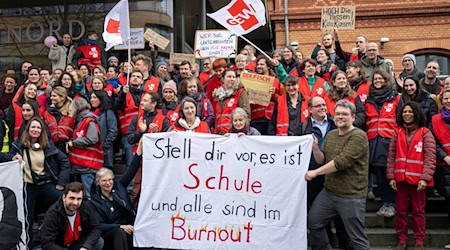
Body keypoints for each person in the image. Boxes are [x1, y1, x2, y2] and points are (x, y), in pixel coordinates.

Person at [305, 100, 371, 250]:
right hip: (329, 193)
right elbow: (323, 159)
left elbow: (341, 162)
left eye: (345, 114)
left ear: (353, 117)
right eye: (338, 114)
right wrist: (315, 148)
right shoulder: (331, 135)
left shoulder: (359, 136)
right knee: (313, 222)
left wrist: (315, 172)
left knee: (357, 238)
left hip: (351, 196)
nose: (340, 117)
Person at [10, 117, 70, 247]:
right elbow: (6, 159)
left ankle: (58, 239)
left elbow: (64, 161)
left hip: (45, 184)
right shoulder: (18, 145)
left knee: (64, 201)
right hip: (27, 186)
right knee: (27, 218)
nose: (35, 130)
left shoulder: (47, 145)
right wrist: (13, 157)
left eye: (38, 127)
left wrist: (61, 183)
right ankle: (28, 245)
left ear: (42, 130)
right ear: (28, 129)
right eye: (33, 127)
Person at [386, 101, 436, 250]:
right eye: (405, 112)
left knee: (418, 212)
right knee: (401, 211)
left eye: (410, 112)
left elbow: (430, 157)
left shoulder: (425, 132)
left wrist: (425, 178)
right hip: (400, 179)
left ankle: (419, 241)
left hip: (418, 181)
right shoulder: (397, 132)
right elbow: (391, 156)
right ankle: (401, 240)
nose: (407, 114)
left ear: (417, 113)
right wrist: (391, 176)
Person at [365, 70, 403, 218]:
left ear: (386, 80)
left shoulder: (396, 98)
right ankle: (384, 204)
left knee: (391, 175)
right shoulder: (369, 100)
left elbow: (401, 119)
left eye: (381, 78)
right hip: (374, 141)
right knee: (380, 176)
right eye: (375, 79)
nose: (378, 81)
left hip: (390, 141)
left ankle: (392, 204)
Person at [40, 182, 103, 250]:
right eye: (72, 198)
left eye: (79, 199)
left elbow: (96, 228)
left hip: (74, 244)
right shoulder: (53, 213)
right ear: (64, 197)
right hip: (57, 246)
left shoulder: (85, 208)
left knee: (99, 242)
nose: (75, 203)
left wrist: (86, 246)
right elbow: (48, 243)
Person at [89, 164, 140, 250]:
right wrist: (119, 226)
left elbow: (131, 171)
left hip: (128, 227)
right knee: (119, 232)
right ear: (98, 183)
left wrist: (138, 154)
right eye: (104, 181)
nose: (108, 183)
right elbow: (99, 225)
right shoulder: (93, 202)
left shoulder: (119, 188)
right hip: (110, 234)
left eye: (110, 180)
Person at [67, 98, 104, 200]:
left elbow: (92, 139)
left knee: (88, 196)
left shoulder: (89, 121)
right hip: (82, 165)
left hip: (88, 165)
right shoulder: (82, 120)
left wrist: (73, 143)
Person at [431, 89, 450, 238]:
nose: (448, 101)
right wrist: (444, 156)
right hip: (444, 166)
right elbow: (433, 143)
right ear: (441, 101)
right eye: (446, 98)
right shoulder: (435, 119)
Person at [251, 56, 284, 135]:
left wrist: (273, 95)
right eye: (258, 64)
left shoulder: (276, 81)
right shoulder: (252, 81)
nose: (259, 66)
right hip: (256, 118)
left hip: (272, 117)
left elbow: (282, 100)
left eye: (262, 64)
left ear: (268, 66)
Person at [213, 69, 250, 134]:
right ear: (222, 79)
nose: (232, 79)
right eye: (229, 77)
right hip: (219, 134)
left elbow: (246, 114)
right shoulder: (217, 95)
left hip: (234, 133)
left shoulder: (240, 92)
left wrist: (243, 131)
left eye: (234, 77)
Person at [89, 90, 117, 169]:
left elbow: (113, 131)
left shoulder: (108, 113)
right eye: (91, 98)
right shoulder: (90, 114)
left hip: (104, 153)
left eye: (94, 97)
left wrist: (104, 147)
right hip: (92, 152)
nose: (91, 100)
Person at [43, 86, 75, 153]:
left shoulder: (71, 111)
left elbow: (75, 129)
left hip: (67, 148)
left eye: (54, 96)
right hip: (51, 146)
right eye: (51, 96)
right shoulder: (47, 112)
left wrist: (71, 141)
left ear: (62, 97)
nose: (51, 98)